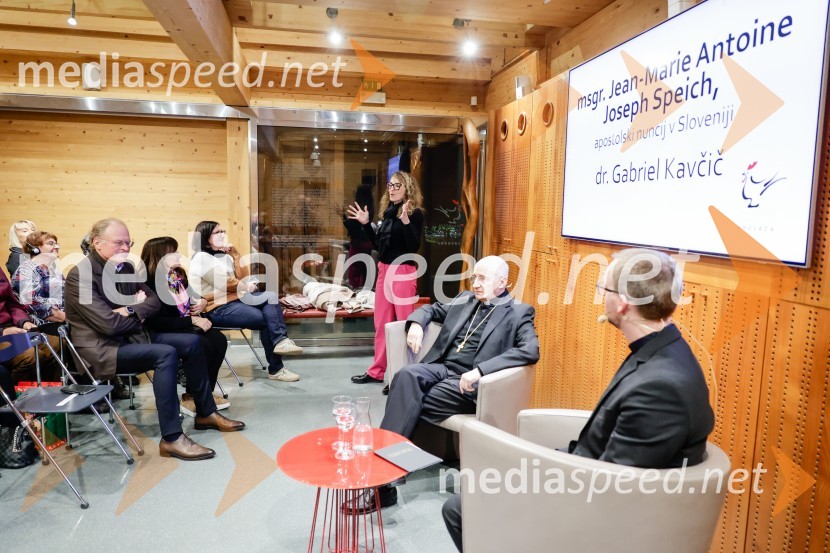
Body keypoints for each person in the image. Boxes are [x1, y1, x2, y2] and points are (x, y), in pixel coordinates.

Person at [441, 248, 715, 551]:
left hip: (597, 512)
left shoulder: (661, 387)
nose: (601, 297)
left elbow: (613, 490)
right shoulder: (661, 349)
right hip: (584, 471)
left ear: (623, 303)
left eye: (604, 289)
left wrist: (537, 475)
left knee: (460, 509)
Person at [348, 255, 540, 514]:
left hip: (469, 386)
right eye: (475, 277)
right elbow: (430, 309)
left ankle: (382, 482)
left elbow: (530, 350)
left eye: (483, 278)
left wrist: (481, 371)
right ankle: (388, 471)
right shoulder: (465, 300)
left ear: (502, 282)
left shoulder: (518, 312)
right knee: (404, 377)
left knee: (405, 398)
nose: (476, 283)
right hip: (442, 368)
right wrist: (416, 323)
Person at [65, 218, 244, 461]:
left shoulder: (125, 268)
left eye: (129, 243)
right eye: (119, 243)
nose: (126, 249)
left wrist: (129, 309)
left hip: (132, 337)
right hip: (102, 349)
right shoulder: (80, 276)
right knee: (166, 353)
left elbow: (152, 301)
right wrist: (136, 308)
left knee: (194, 342)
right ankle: (172, 438)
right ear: (97, 243)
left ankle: (205, 412)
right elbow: (108, 325)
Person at [190, 220, 303, 382]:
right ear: (206, 237)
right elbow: (227, 283)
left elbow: (243, 277)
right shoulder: (201, 257)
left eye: (223, 231)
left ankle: (281, 341)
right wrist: (243, 286)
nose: (222, 234)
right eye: (217, 232)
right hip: (215, 308)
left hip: (235, 300)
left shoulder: (224, 256)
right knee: (265, 319)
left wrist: (235, 255)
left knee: (270, 296)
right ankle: (276, 368)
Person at [348, 171, 424, 385]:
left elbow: (413, 247)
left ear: (407, 188)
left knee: (404, 326)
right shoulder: (388, 213)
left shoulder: (415, 213)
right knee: (381, 323)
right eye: (390, 185)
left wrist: (407, 223)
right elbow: (378, 246)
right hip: (384, 270)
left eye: (397, 185)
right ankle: (376, 371)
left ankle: (403, 376)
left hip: (403, 272)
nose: (391, 189)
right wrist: (366, 224)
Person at [140, 236, 230, 414]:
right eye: (173, 252)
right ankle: (195, 396)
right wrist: (192, 320)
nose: (179, 255)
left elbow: (193, 298)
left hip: (180, 325)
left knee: (218, 340)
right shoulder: (147, 282)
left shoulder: (176, 276)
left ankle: (200, 395)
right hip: (157, 330)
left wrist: (202, 302)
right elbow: (155, 321)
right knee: (201, 343)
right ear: (160, 256)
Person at [0, 267, 62, 384]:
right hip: (2, 333)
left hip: (12, 328)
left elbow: (12, 303)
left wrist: (23, 321)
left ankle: (51, 392)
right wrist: (2, 332)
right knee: (30, 356)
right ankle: (17, 399)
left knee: (55, 344)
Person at [11, 231, 66, 325]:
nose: (57, 247)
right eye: (51, 243)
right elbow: (33, 303)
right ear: (35, 248)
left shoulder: (53, 269)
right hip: (43, 324)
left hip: (63, 319)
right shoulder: (26, 270)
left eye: (57, 244)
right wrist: (67, 317)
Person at [342, 183, 375, 290]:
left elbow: (351, 229)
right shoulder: (369, 208)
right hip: (367, 245)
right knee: (364, 271)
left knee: (354, 272)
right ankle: (363, 293)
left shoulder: (357, 209)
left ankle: (357, 294)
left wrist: (343, 217)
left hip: (357, 244)